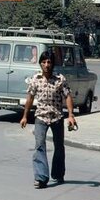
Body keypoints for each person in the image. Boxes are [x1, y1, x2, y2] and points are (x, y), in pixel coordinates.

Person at [20, 50, 77, 189]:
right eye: (44, 62)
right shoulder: (35, 79)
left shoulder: (60, 79)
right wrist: (25, 116)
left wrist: (71, 115)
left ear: (52, 64)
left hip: (56, 116)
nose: (46, 65)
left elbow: (68, 96)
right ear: (40, 64)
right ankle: (41, 177)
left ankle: (58, 173)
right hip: (41, 116)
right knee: (39, 145)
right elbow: (30, 98)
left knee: (59, 147)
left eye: (49, 62)